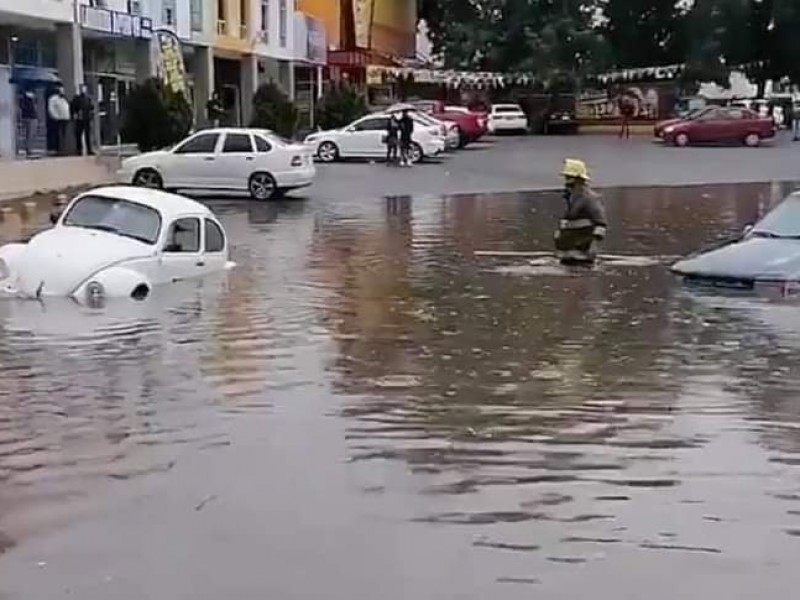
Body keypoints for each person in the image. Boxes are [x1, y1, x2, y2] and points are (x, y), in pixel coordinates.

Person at [554, 159, 607, 265]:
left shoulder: (589, 198)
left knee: (579, 274)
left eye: (569, 178)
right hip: (569, 248)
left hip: (582, 249)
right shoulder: (571, 197)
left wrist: (593, 244)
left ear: (578, 179)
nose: (566, 181)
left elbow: (601, 223)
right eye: (566, 178)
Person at [71, 84, 95, 156]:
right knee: (78, 135)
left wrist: (91, 116)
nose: (83, 90)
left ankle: (89, 150)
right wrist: (75, 114)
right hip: (80, 118)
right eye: (81, 88)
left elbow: (92, 108)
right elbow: (73, 107)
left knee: (88, 135)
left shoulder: (88, 98)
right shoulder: (76, 98)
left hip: (87, 118)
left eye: (84, 88)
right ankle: (79, 150)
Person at [47, 86, 71, 156]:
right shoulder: (53, 99)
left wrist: (68, 116)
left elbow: (66, 107)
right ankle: (57, 150)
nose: (62, 92)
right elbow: (51, 108)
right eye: (61, 91)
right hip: (57, 119)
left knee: (63, 135)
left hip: (65, 119)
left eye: (63, 91)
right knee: (57, 135)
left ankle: (63, 149)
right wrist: (55, 117)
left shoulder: (64, 99)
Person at [19, 90, 37, 158]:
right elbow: (23, 107)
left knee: (31, 134)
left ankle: (29, 149)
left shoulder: (32, 97)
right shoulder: (24, 98)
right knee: (29, 134)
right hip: (28, 117)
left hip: (31, 117)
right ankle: (28, 150)